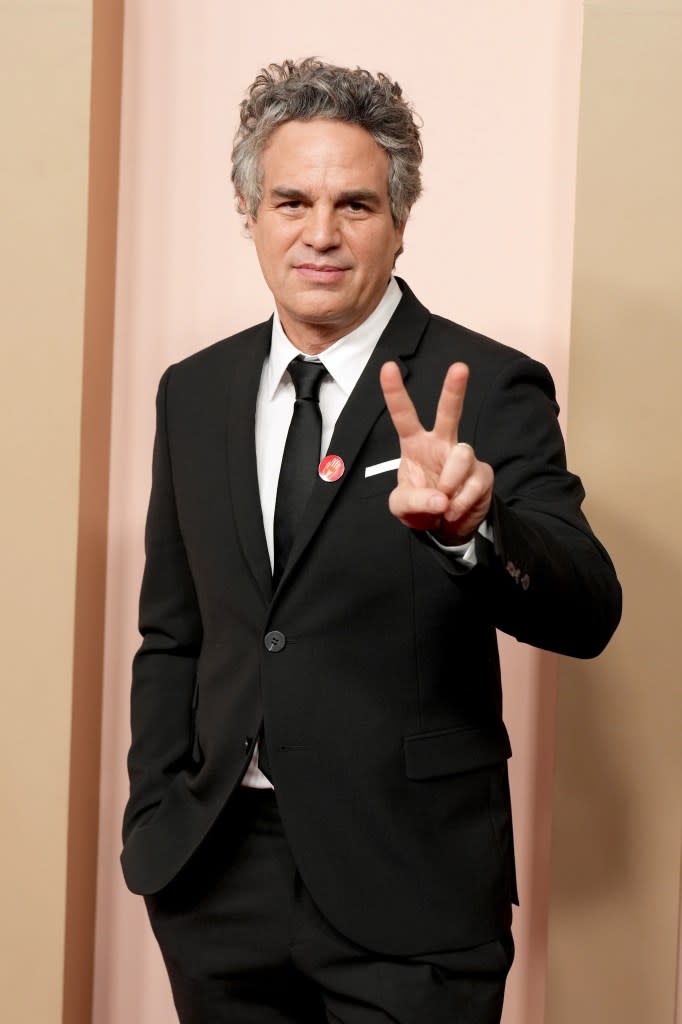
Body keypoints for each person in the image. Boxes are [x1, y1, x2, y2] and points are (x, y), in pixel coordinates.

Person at [121, 58, 621, 1024]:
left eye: (355, 204)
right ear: (248, 210)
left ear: (399, 218)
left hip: (413, 891)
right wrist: (156, 821)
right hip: (215, 879)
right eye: (290, 201)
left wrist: (477, 532)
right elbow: (173, 634)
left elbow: (590, 608)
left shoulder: (488, 381)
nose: (319, 234)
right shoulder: (195, 392)